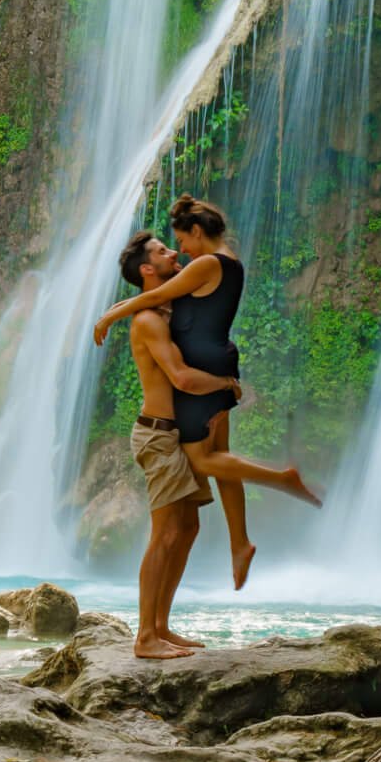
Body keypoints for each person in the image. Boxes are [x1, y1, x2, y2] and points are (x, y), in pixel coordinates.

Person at [98, 201, 320, 590]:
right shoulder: (227, 260)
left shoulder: (206, 264)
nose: (181, 249)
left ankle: (281, 479)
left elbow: (153, 297)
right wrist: (119, 308)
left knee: (203, 457)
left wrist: (111, 315)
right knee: (220, 457)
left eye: (182, 240)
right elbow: (156, 296)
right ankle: (239, 542)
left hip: (202, 369)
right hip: (219, 360)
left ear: (197, 232)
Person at [119, 242, 238, 659]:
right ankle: (144, 638)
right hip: (159, 435)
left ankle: (161, 627)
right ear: (147, 270)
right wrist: (227, 386)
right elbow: (182, 379)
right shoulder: (150, 320)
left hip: (178, 434)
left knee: (187, 529)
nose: (173, 252)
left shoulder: (171, 309)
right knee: (165, 534)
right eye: (162, 251)